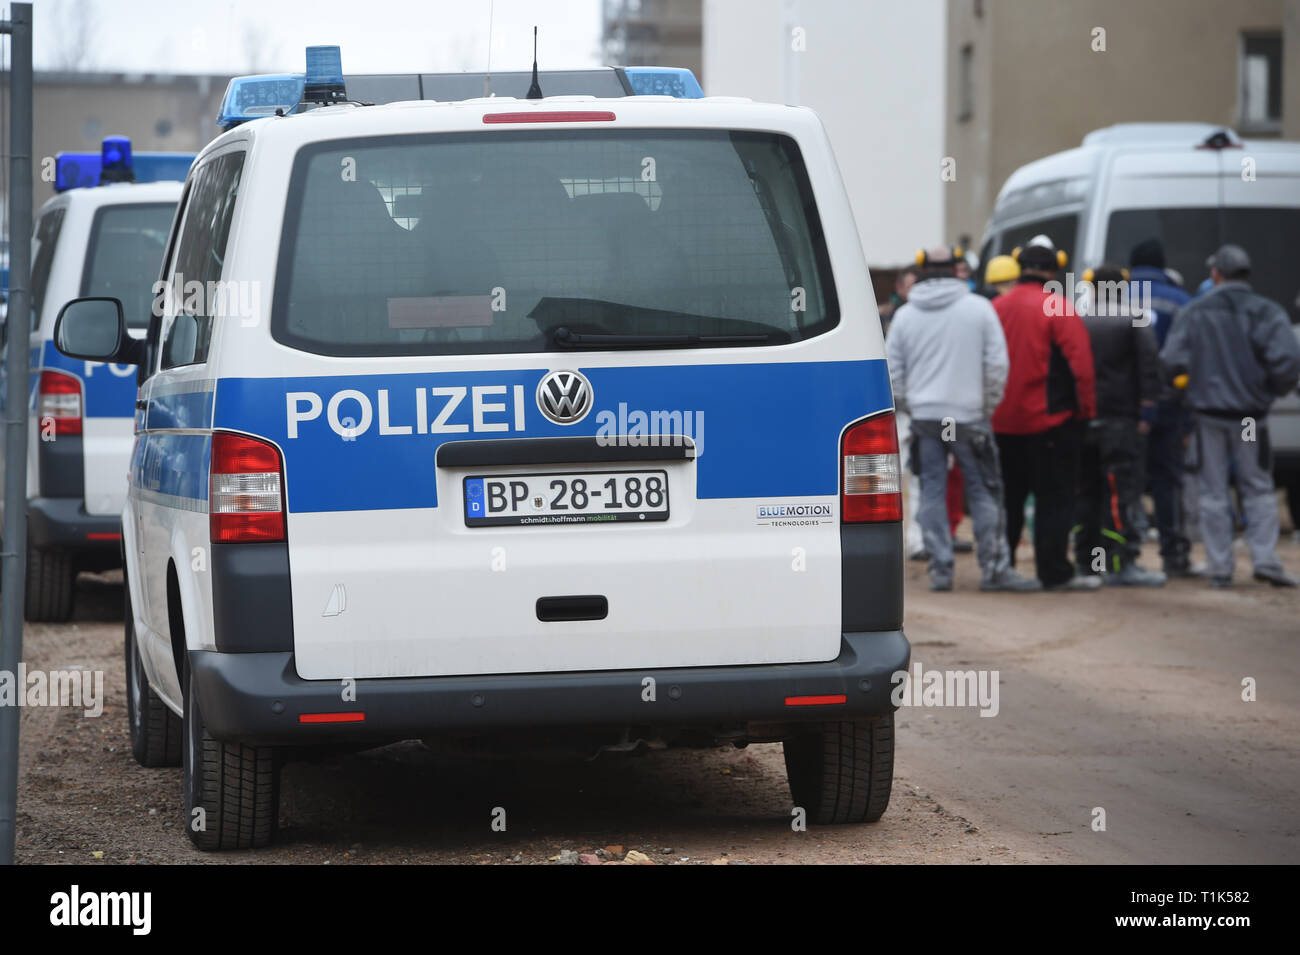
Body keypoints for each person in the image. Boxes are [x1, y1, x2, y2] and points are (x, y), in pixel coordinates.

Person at [886, 247, 1040, 592]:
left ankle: (941, 569)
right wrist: (985, 406)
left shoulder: (906, 316)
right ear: (957, 270)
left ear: (923, 270)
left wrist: (911, 405)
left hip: (926, 418)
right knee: (984, 490)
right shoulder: (979, 309)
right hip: (968, 417)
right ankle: (995, 569)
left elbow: (891, 371)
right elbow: (997, 365)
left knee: (932, 491)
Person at [1160, 244, 1300, 588]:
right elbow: (1288, 362)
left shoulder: (1195, 312)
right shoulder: (1265, 311)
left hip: (1209, 419)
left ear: (1216, 274)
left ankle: (1220, 567)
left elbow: (1170, 361)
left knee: (1212, 490)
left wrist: (1186, 392)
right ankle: (1265, 559)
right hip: (1250, 419)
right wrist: (1268, 391)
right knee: (1258, 486)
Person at [992, 234, 1100, 591]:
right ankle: (1053, 571)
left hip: (1002, 422)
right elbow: (1081, 366)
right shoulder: (1058, 307)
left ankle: (1001, 567)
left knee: (1008, 498)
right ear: (1053, 271)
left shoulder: (997, 307)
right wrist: (1086, 412)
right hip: (1050, 425)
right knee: (1054, 499)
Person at [1074, 265, 1165, 585]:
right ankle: (1120, 562)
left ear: (1093, 287)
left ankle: (1087, 562)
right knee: (1121, 493)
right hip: (1121, 421)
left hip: (1083, 421)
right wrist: (1147, 413)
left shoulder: (1077, 317)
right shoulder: (1135, 316)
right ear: (1123, 287)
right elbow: (1149, 368)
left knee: (1087, 492)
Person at [1128, 238, 1197, 576]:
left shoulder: (1113, 298)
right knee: (1167, 480)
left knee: (1124, 479)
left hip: (1127, 408)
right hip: (1170, 404)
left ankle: (1124, 557)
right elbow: (1192, 354)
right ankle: (1173, 556)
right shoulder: (1182, 301)